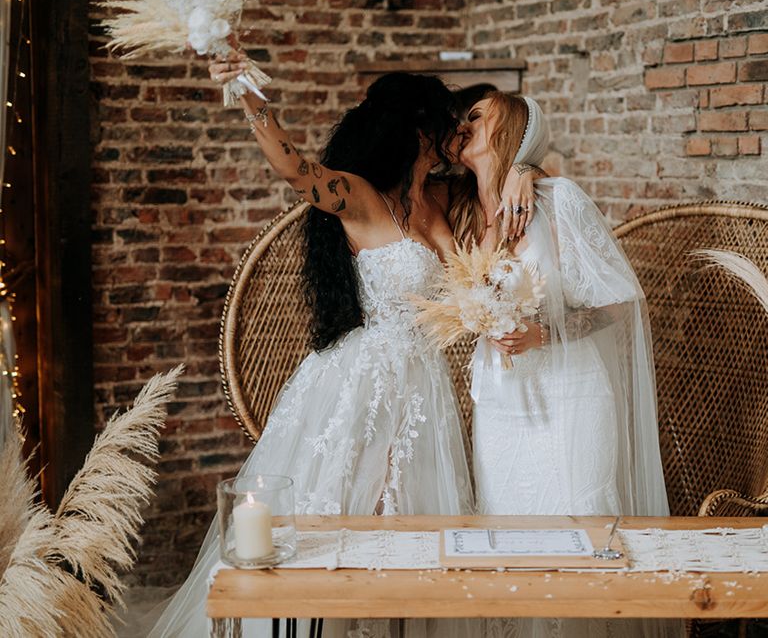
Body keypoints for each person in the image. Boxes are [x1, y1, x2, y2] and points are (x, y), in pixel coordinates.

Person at [145, 61, 528, 636]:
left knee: (413, 535)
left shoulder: (440, 198)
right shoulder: (361, 196)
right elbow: (294, 168)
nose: (452, 134)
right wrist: (249, 96)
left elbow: (489, 228)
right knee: (345, 523)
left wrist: (524, 170)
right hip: (363, 382)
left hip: (423, 387)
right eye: (443, 123)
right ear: (415, 129)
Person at [453, 92, 683, 638]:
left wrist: (543, 334)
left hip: (573, 400)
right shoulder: (459, 210)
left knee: (580, 539)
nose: (462, 125)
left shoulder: (560, 200)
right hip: (503, 413)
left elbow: (619, 303)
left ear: (511, 130)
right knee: (509, 546)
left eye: (477, 116)